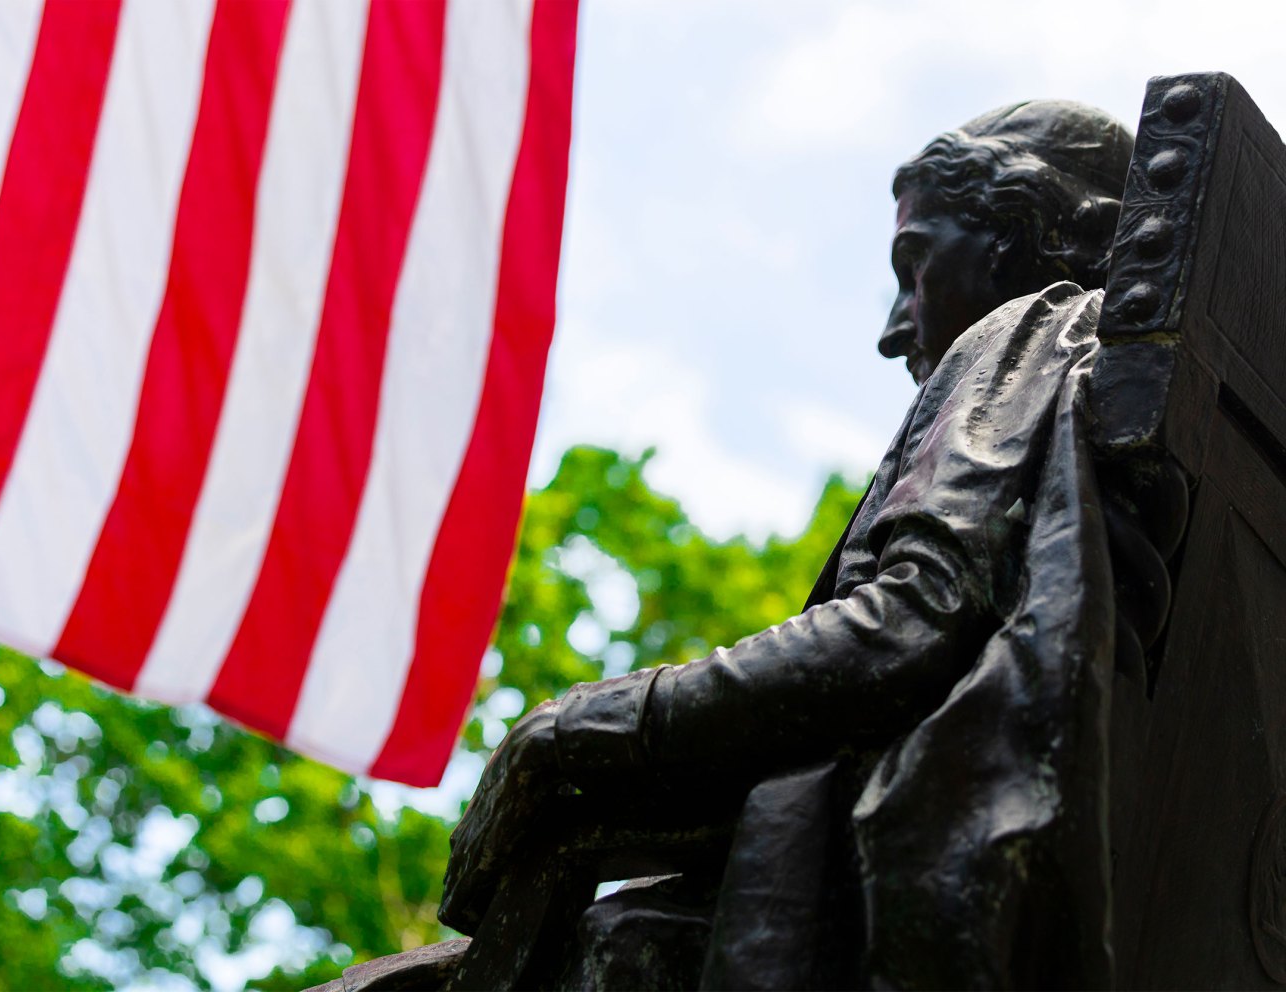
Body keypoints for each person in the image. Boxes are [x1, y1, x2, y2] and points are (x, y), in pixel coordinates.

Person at [438, 100, 1179, 990]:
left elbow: (908, 623)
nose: (897, 326)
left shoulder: (1035, 326)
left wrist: (567, 735)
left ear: (1027, 238)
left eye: (917, 264)